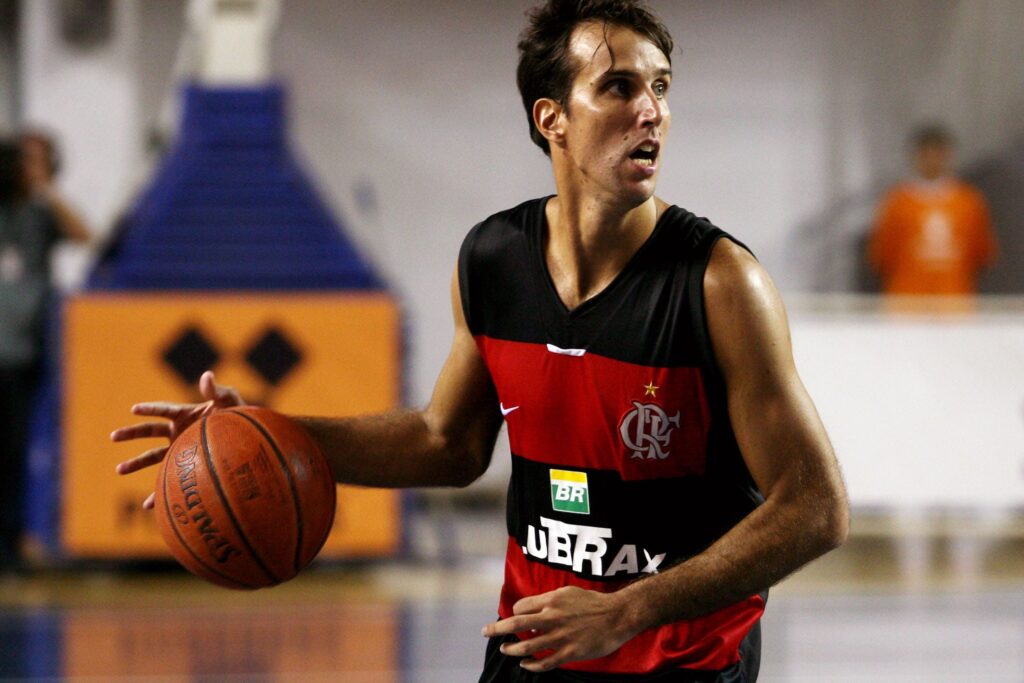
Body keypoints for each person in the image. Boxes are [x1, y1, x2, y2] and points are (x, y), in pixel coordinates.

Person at [112, 1, 848, 680]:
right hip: (532, 647)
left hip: (680, 658)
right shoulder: (495, 260)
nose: (651, 111)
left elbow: (815, 506)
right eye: (619, 88)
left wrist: (630, 607)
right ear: (552, 117)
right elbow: (448, 442)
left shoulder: (720, 282)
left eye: (661, 86)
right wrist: (266, 434)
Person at [0, 137, 88, 571]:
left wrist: (46, 190)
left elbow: (84, 234)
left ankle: (12, 545)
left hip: (23, 354)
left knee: (16, 453)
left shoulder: (39, 216)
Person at [868, 124, 998, 296]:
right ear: (915, 156)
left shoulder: (968, 202)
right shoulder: (896, 203)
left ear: (948, 155)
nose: (932, 160)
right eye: (926, 153)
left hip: (953, 299)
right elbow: (883, 256)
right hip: (908, 301)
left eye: (938, 153)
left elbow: (981, 254)